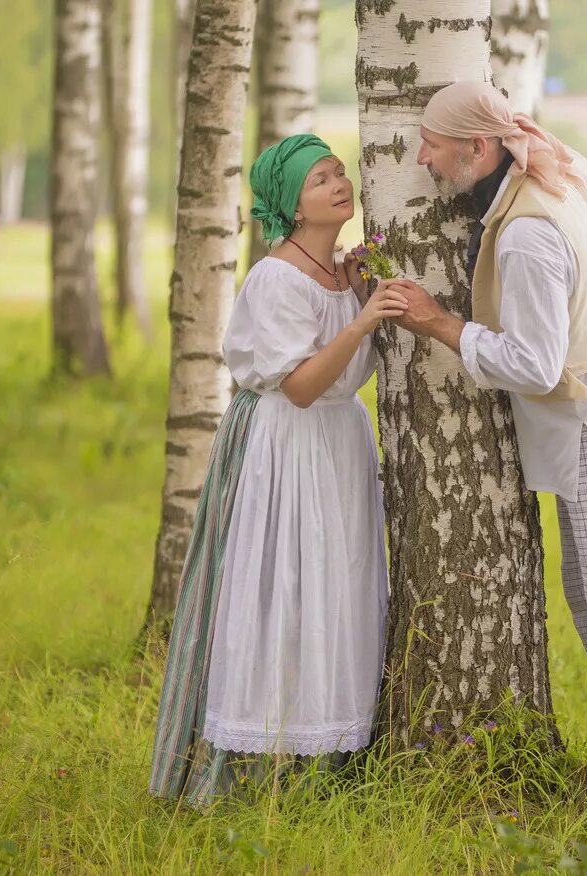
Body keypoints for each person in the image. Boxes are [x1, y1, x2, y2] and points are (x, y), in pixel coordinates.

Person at [386, 81, 587, 821]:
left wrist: (438, 323)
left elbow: (533, 364)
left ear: (478, 147)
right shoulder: (564, 164)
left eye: (433, 142)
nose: (422, 156)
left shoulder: (527, 231)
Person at [149, 134, 405, 807]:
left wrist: (360, 292)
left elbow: (344, 380)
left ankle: (332, 759)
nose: (339, 184)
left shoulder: (340, 273)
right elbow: (298, 385)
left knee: (337, 591)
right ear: (292, 203)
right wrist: (361, 320)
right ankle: (264, 767)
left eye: (339, 172)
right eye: (321, 179)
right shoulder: (276, 276)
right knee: (285, 592)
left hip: (339, 444)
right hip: (288, 446)